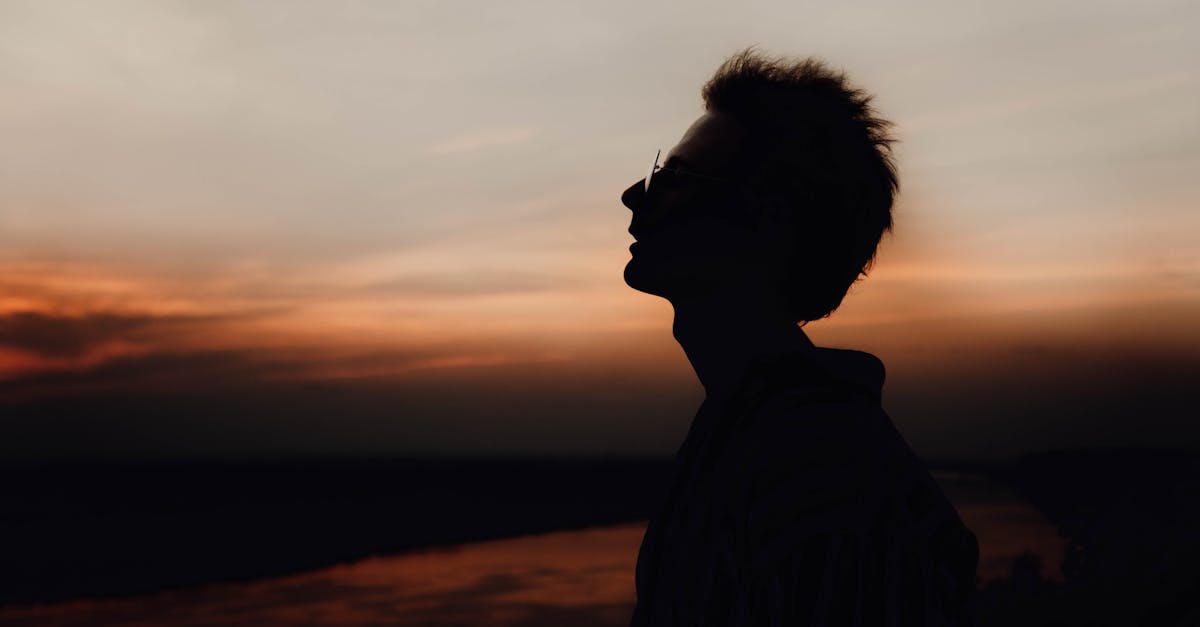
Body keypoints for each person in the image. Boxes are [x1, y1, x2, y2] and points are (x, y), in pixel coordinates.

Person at [621, 49, 980, 626]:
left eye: (678, 176)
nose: (636, 194)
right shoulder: (748, 430)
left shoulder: (820, 469)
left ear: (766, 220)